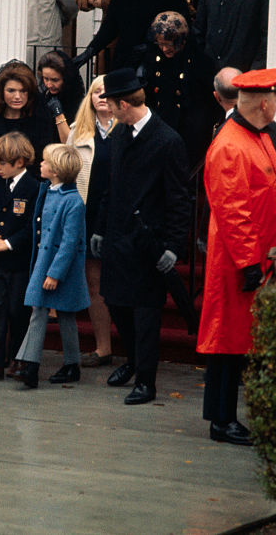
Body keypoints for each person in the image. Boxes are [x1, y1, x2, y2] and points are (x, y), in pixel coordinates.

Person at [198, 68, 276, 445]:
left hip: (257, 256)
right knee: (228, 342)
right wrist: (249, 263)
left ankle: (221, 416)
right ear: (266, 104)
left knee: (236, 341)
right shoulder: (232, 144)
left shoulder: (255, 136)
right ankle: (221, 420)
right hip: (241, 260)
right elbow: (233, 209)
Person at [92, 67, 190, 405]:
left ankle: (146, 381)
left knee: (146, 314)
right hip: (118, 236)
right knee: (117, 303)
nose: (108, 110)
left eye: (110, 104)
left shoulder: (167, 140)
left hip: (149, 241)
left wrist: (174, 247)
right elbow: (110, 186)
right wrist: (101, 229)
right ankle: (132, 362)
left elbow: (180, 199)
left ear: (122, 104)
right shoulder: (120, 135)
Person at [10, 143, 89, 388]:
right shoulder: (48, 191)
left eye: (45, 162)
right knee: (47, 312)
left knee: (59, 313)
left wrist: (55, 273)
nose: (40, 164)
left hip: (57, 268)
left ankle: (46, 365)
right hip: (44, 263)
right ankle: (39, 365)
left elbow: (69, 242)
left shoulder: (73, 202)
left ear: (55, 170)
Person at [0, 132, 41, 383]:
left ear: (20, 162)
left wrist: (8, 243)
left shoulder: (34, 187)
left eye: (2, 163)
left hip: (20, 262)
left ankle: (18, 358)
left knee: (18, 310)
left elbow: (32, 226)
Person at [68, 75, 116, 367]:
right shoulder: (78, 132)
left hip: (119, 216)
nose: (101, 96)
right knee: (94, 281)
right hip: (88, 213)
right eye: (96, 91)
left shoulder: (129, 130)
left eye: (107, 92)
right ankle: (103, 348)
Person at [139, 10, 217, 170]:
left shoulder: (199, 63)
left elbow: (206, 101)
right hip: (161, 125)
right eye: (160, 44)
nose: (165, 49)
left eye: (169, 43)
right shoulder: (153, 60)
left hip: (188, 130)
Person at [0, 60, 57, 176]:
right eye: (11, 91)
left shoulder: (41, 122)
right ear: (1, 92)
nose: (17, 97)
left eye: (23, 91)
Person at [36, 49, 84, 144]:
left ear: (66, 78)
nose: (49, 85)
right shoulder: (43, 98)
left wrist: (58, 113)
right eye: (46, 79)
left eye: (55, 80)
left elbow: (70, 143)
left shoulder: (79, 103)